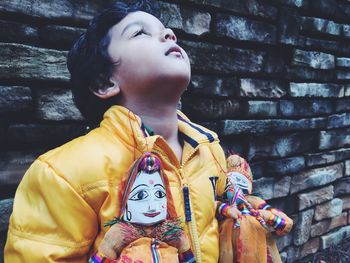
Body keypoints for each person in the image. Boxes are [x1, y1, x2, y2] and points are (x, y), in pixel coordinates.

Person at [5, 1, 236, 262]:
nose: (169, 34)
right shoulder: (63, 173)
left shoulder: (209, 149)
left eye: (166, 30)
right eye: (140, 32)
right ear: (105, 82)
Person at [88, 152, 195, 262]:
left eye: (159, 194)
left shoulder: (174, 234)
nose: (152, 206)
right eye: (140, 196)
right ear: (126, 205)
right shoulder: (118, 235)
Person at [218, 154, 293, 263]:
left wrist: (269, 216)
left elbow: (286, 224)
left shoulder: (255, 203)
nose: (235, 187)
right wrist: (226, 210)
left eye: (241, 181)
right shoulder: (221, 207)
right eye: (230, 181)